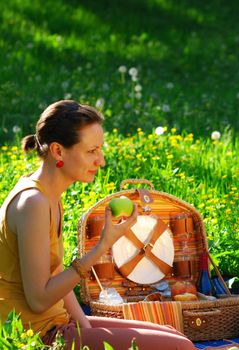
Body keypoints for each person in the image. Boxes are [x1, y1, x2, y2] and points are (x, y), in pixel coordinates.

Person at [0, 100, 194, 349]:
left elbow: (55, 272)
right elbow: (38, 300)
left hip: (57, 322)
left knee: (174, 336)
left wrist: (86, 328)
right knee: (180, 348)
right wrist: (102, 246)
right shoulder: (33, 203)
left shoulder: (49, 196)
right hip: (37, 336)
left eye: (100, 150)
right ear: (58, 151)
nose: (101, 161)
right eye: (91, 151)